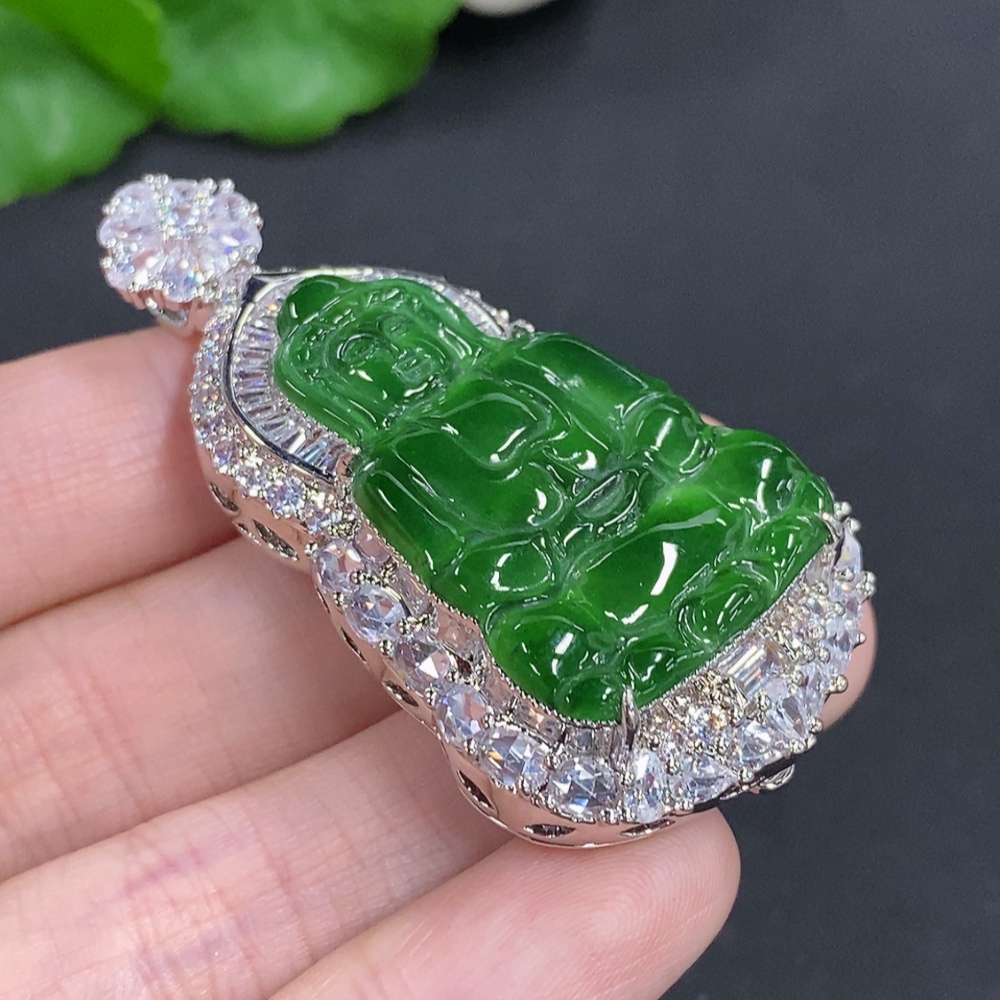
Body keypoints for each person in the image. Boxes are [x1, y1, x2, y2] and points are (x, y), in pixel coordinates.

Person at [0, 325, 875, 999]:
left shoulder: (542, 360)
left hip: (686, 522)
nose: (393, 362)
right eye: (357, 365)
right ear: (336, 396)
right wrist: (542, 549)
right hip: (581, 593)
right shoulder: (388, 473)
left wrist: (653, 467)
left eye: (396, 335)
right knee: (550, 649)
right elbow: (477, 575)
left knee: (763, 471)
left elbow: (661, 428)